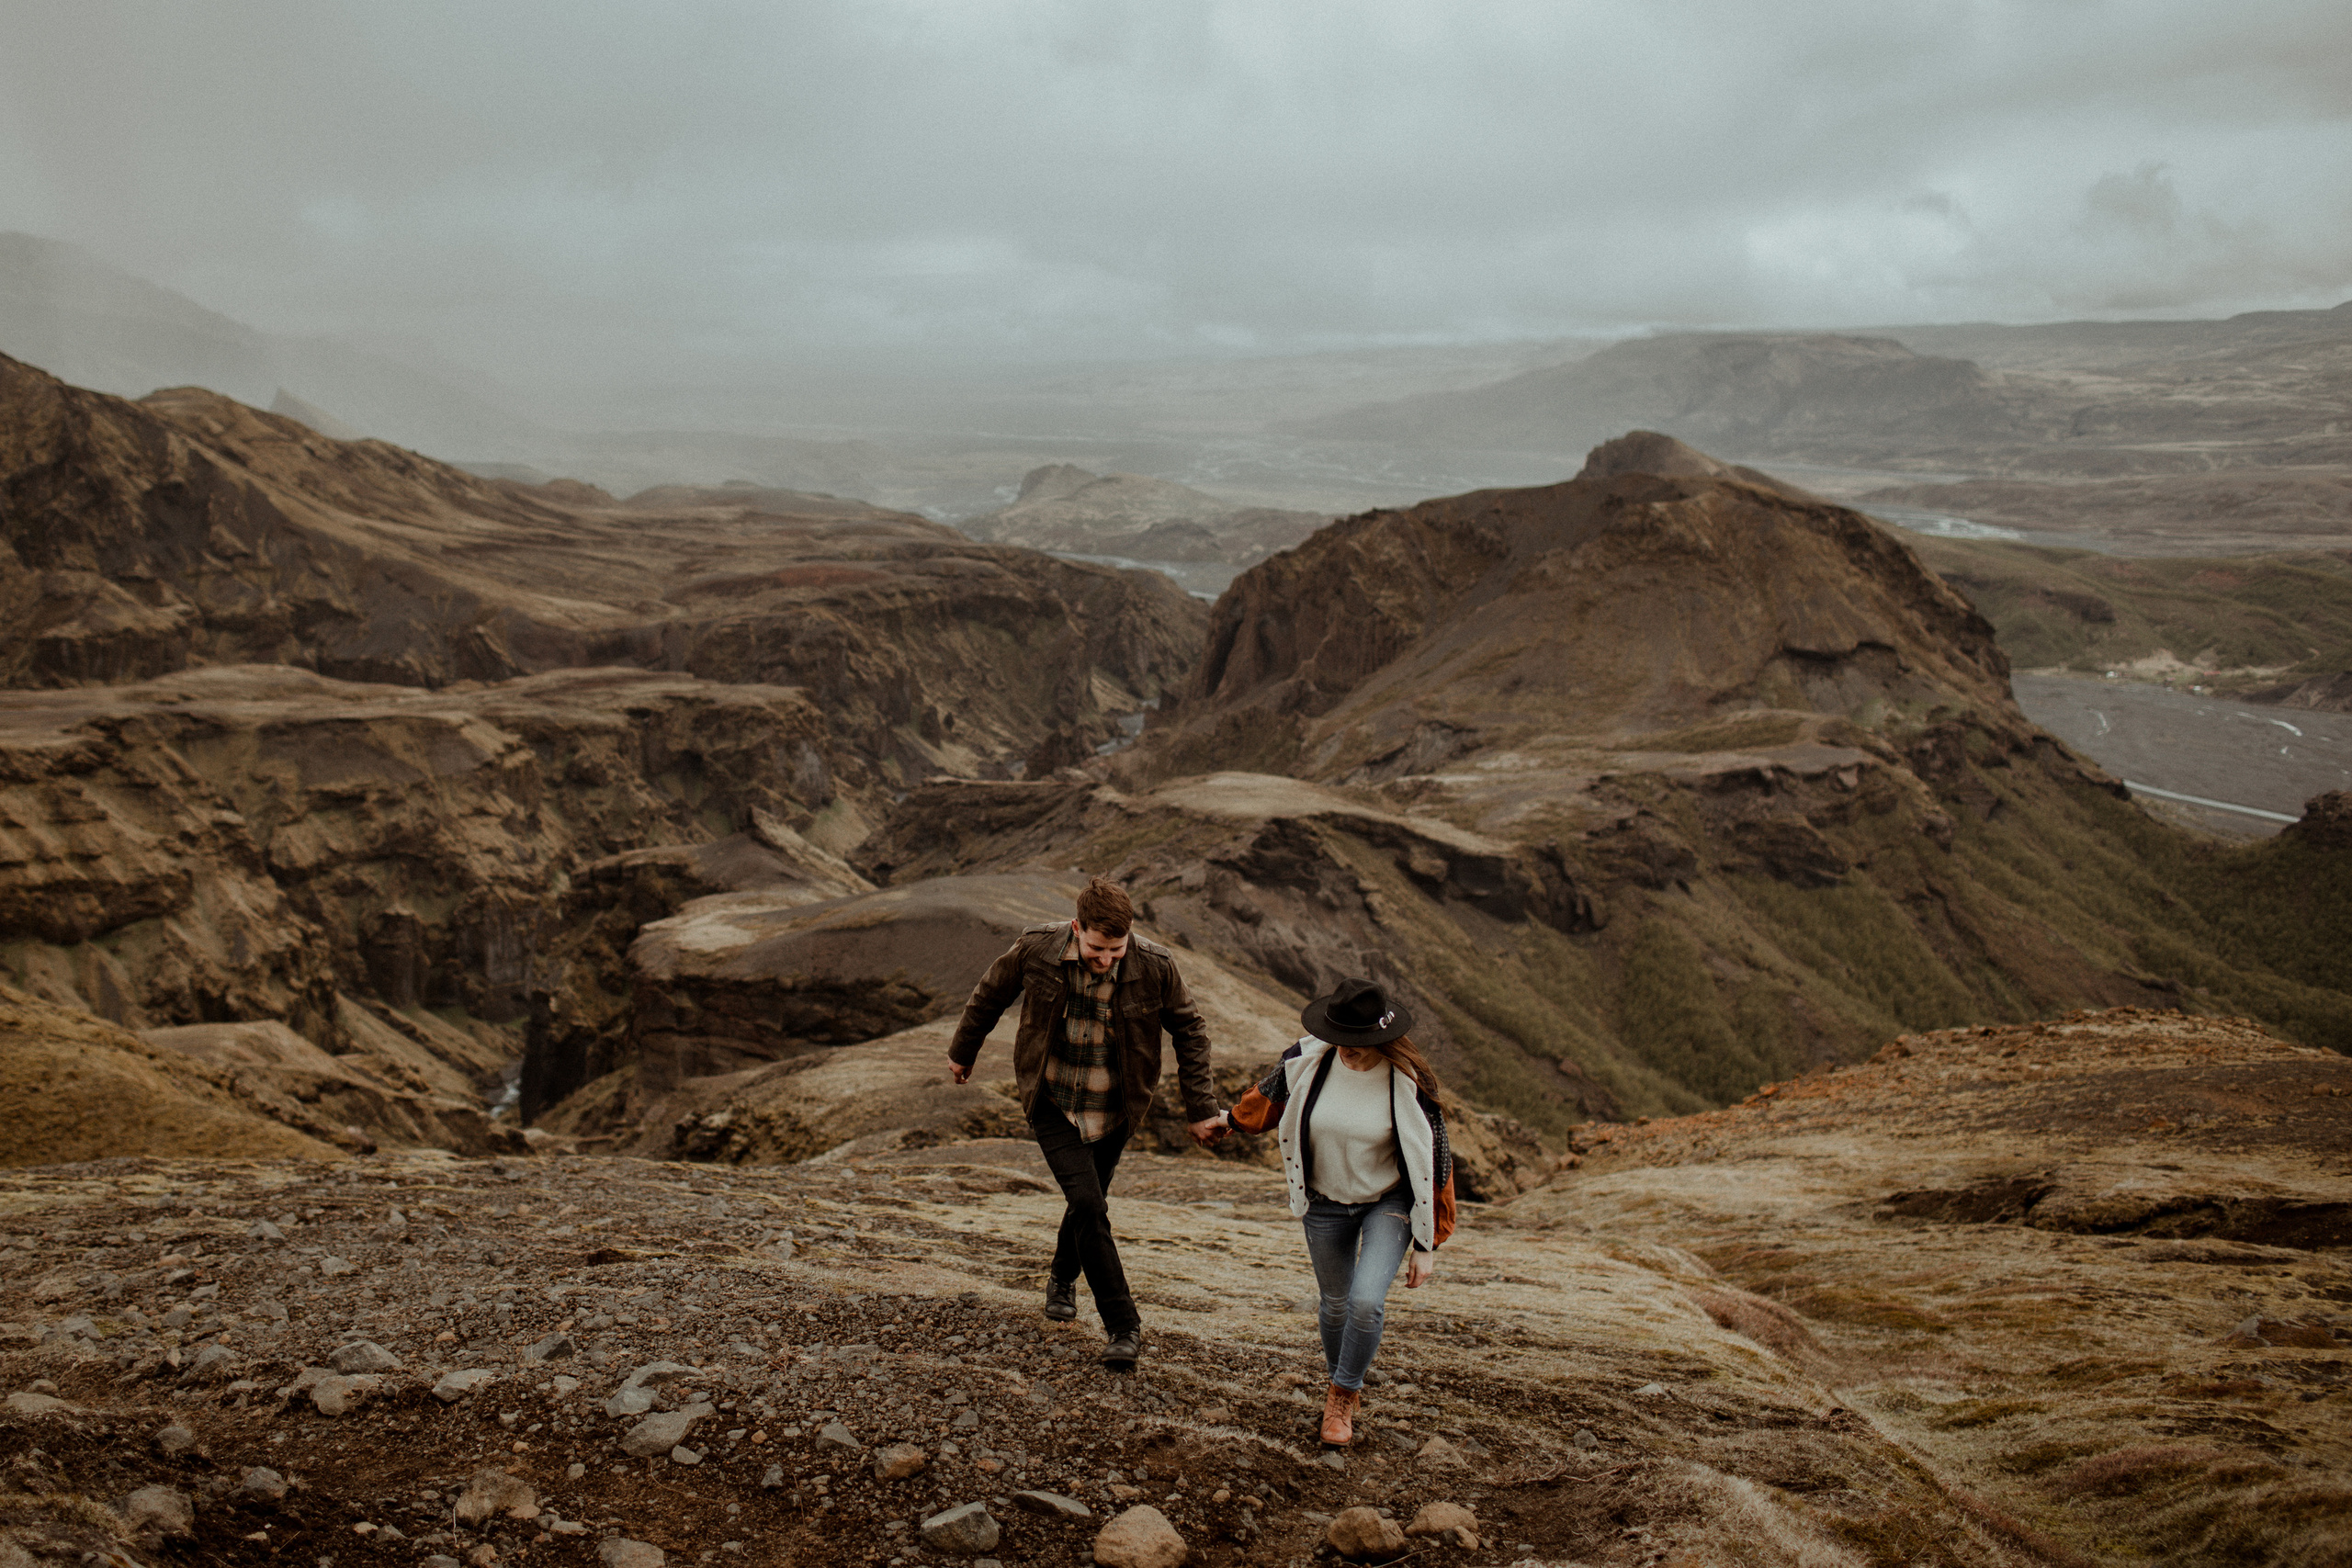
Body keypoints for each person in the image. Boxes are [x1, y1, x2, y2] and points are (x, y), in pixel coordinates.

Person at [947, 876, 1225, 1369]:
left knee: (1086, 1202)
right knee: (1089, 1205)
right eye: (1097, 948)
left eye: (1117, 949)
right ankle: (1124, 1326)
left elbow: (1191, 1031)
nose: (1106, 959)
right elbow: (989, 995)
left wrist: (1200, 1107)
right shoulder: (1037, 948)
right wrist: (963, 1051)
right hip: (1052, 1098)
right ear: (1077, 929)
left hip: (1116, 1108)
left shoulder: (1156, 965)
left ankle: (1061, 1278)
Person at [1219, 976, 1455, 1446]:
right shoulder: (1307, 1059)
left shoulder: (1410, 1082)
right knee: (1335, 1305)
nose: (1347, 1048)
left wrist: (1428, 1243)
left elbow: (1437, 1160)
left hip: (1388, 1202)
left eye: (1358, 1041)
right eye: (1340, 1037)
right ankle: (1341, 1379)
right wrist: (1229, 1121)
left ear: (1382, 1037)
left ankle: (1342, 1395)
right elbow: (1268, 1097)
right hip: (1324, 1204)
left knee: (1365, 1302)